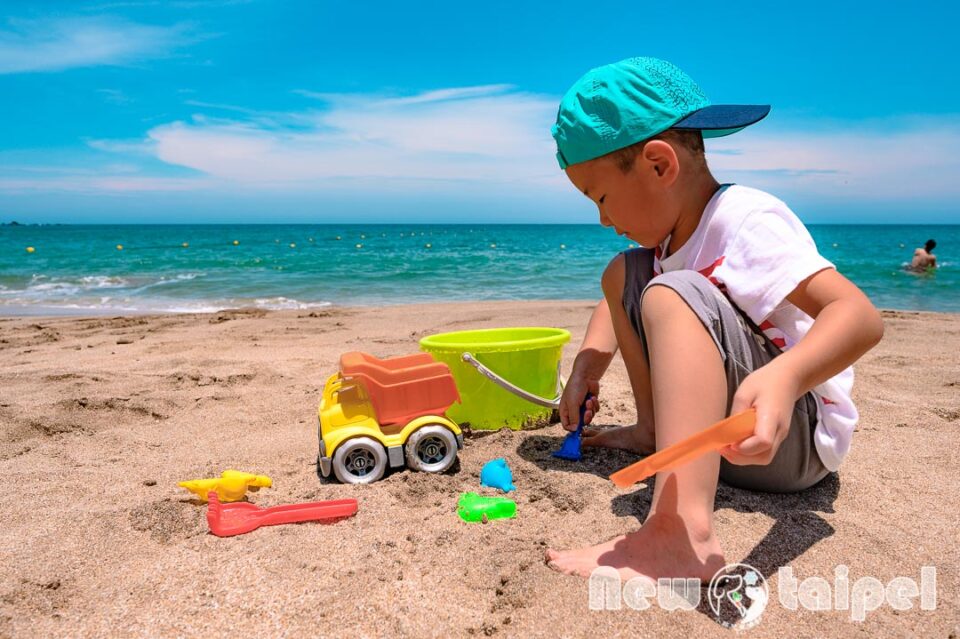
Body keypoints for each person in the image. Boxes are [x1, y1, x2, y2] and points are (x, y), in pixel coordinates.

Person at [545, 57, 884, 582]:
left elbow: (859, 316)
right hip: (715, 439)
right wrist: (589, 365)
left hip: (787, 435)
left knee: (672, 292)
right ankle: (657, 430)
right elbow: (615, 305)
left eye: (603, 198)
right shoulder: (666, 240)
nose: (604, 221)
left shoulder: (744, 219)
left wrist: (786, 376)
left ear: (660, 165)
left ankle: (680, 536)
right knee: (626, 273)